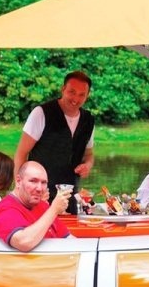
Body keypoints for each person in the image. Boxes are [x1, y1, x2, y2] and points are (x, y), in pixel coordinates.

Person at [14, 70, 95, 214]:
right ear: (63, 89)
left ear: (87, 96)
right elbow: (21, 154)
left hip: (69, 197)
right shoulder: (41, 113)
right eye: (72, 92)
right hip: (38, 195)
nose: (76, 98)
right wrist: (19, 191)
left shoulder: (88, 120)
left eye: (81, 94)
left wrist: (87, 165)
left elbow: (89, 154)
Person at [0, 161, 72, 252]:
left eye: (43, 183)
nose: (39, 188)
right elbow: (23, 242)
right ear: (18, 181)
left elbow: (68, 239)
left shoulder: (43, 206)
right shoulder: (5, 208)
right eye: (33, 181)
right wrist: (54, 209)